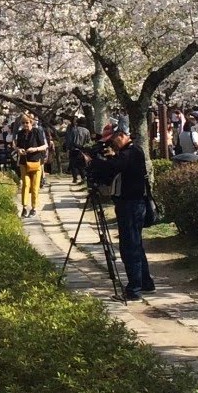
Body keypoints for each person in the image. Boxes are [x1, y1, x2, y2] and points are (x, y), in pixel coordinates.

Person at [88, 124, 154, 301]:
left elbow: (112, 168)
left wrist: (95, 161)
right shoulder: (129, 153)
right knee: (136, 245)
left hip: (131, 205)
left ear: (123, 135)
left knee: (130, 247)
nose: (112, 144)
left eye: (113, 140)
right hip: (131, 204)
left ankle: (134, 289)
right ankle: (145, 282)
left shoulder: (131, 153)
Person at [14, 113, 47, 218]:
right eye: (23, 123)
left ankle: (34, 208)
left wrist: (35, 149)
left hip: (36, 162)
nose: (25, 125)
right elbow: (16, 146)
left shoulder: (37, 132)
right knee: (25, 185)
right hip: (24, 162)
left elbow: (44, 146)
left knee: (35, 186)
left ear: (31, 122)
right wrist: (19, 150)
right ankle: (24, 207)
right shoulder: (20, 133)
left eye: (27, 122)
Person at [65, 115, 91, 185]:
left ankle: (75, 178)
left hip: (74, 149)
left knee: (73, 164)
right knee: (82, 164)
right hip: (83, 150)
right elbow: (89, 141)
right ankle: (83, 177)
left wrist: (68, 148)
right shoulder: (87, 131)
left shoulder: (74, 130)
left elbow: (70, 140)